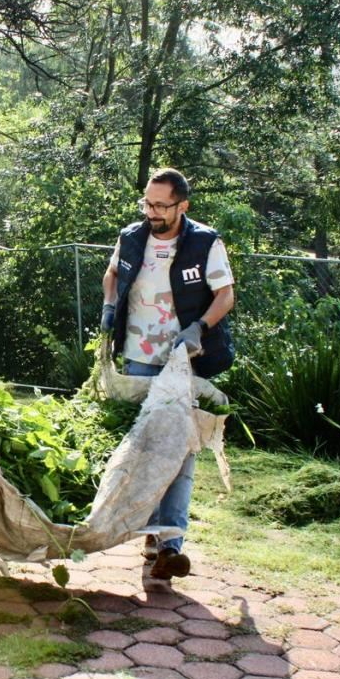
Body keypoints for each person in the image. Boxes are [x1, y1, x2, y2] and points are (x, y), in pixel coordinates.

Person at [101, 168, 235, 581]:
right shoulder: (131, 236)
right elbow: (111, 276)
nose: (152, 211)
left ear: (183, 205)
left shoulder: (204, 242)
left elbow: (225, 294)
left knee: (179, 449)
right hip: (138, 356)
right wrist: (109, 308)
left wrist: (198, 328)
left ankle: (170, 544)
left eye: (161, 205)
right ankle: (150, 533)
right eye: (147, 202)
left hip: (183, 361)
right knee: (143, 446)